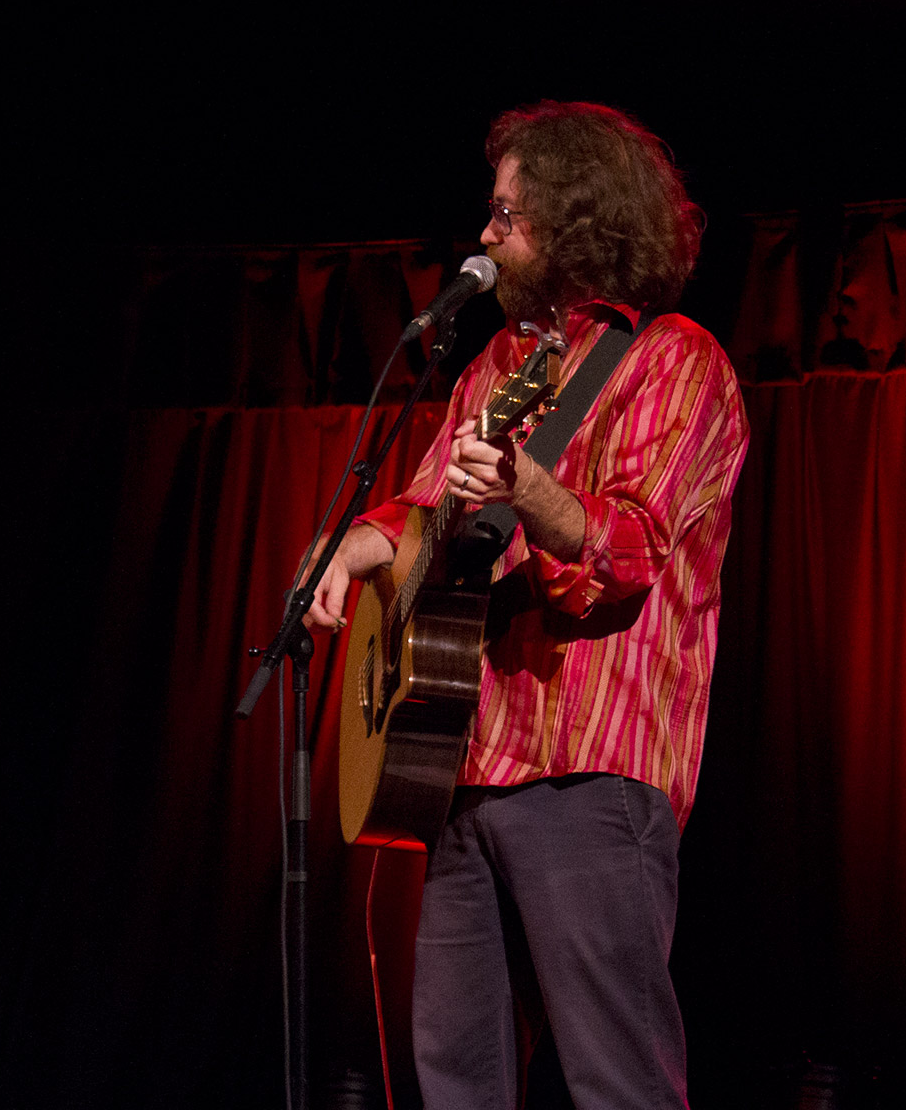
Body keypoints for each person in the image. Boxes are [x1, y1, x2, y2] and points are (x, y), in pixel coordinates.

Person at [305, 102, 748, 1107]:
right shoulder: (496, 368)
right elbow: (423, 503)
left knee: (615, 1079)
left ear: (576, 220)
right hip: (462, 764)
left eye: (507, 216)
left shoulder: (676, 361)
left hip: (590, 773)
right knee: (457, 1079)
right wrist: (357, 544)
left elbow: (629, 550)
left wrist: (525, 488)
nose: (486, 236)